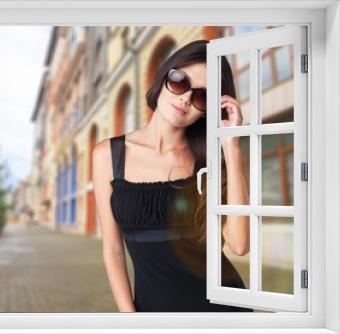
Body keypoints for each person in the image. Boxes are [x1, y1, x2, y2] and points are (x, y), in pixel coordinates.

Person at [91, 39, 252, 312]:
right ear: (164, 77)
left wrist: (231, 144)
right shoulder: (108, 155)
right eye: (180, 81)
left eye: (202, 96)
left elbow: (238, 244)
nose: (185, 98)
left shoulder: (208, 160)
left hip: (221, 312)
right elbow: (113, 251)